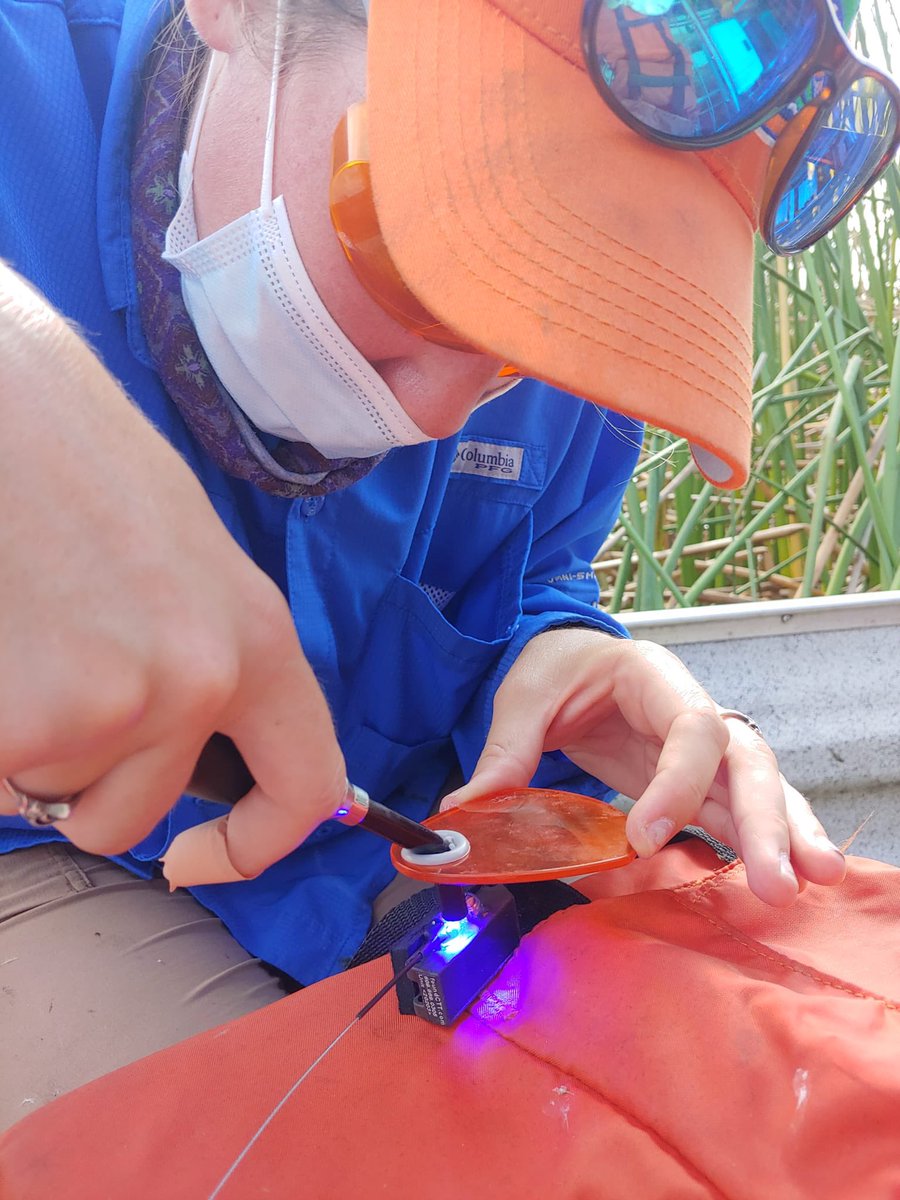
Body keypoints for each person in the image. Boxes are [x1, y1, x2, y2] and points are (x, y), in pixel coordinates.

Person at [0, 0, 888, 1126]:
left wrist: (554, 649)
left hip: (394, 879)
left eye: (545, 336)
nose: (433, 413)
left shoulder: (566, 407)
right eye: (428, 253)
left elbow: (528, 574)